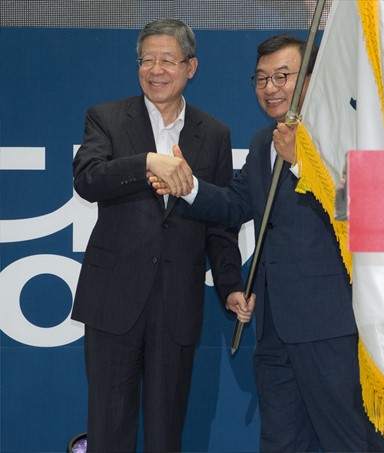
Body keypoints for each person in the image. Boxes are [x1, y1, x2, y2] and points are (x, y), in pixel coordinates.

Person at [152, 33, 384, 452]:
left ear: (312, 79)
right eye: (261, 79)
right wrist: (187, 186)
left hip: (330, 326)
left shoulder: (345, 134)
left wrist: (301, 164)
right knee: (281, 441)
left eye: (282, 76)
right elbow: (234, 204)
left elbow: (363, 212)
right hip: (273, 328)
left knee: (346, 439)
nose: (270, 88)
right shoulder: (264, 142)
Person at [72, 18, 253, 452]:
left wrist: (230, 284)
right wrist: (147, 162)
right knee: (108, 427)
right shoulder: (107, 118)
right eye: (146, 60)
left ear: (191, 66)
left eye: (167, 60)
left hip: (177, 301)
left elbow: (220, 223)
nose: (156, 70)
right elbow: (88, 179)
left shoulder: (214, 134)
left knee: (165, 430)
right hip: (113, 300)